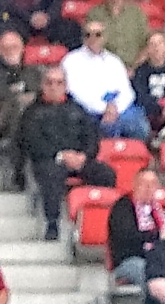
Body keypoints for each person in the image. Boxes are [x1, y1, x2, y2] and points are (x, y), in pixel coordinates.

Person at [19, 67, 117, 240]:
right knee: (51, 175)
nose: (54, 87)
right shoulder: (31, 113)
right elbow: (31, 142)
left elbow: (92, 137)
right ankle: (52, 224)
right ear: (42, 85)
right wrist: (61, 155)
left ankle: (101, 224)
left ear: (66, 86)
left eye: (59, 83)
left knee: (106, 174)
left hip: (79, 160)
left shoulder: (78, 109)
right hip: (48, 160)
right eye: (49, 83)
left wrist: (84, 156)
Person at [61, 21, 149, 141]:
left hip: (119, 109)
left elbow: (127, 91)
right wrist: (104, 108)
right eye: (88, 35)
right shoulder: (71, 60)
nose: (93, 38)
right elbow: (75, 93)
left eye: (98, 34)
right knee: (104, 126)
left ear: (104, 37)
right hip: (89, 111)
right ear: (83, 38)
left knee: (141, 126)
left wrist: (115, 108)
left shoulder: (114, 60)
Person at [0, 29, 42, 166]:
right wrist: (23, 97)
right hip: (0, 123)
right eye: (6, 48)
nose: (11, 51)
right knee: (16, 106)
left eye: (14, 47)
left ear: (22, 48)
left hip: (29, 121)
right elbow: (0, 95)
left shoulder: (33, 72)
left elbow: (38, 93)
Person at [106, 166, 165, 289]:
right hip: (129, 260)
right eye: (144, 184)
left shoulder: (158, 209)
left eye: (153, 184)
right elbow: (126, 237)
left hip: (158, 258)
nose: (148, 188)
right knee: (148, 271)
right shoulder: (123, 207)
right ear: (135, 184)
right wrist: (157, 235)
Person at [86, 0, 150, 65]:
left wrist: (134, 67)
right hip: (102, 67)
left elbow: (147, 44)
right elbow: (89, 45)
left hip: (133, 69)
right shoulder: (95, 14)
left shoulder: (136, 13)